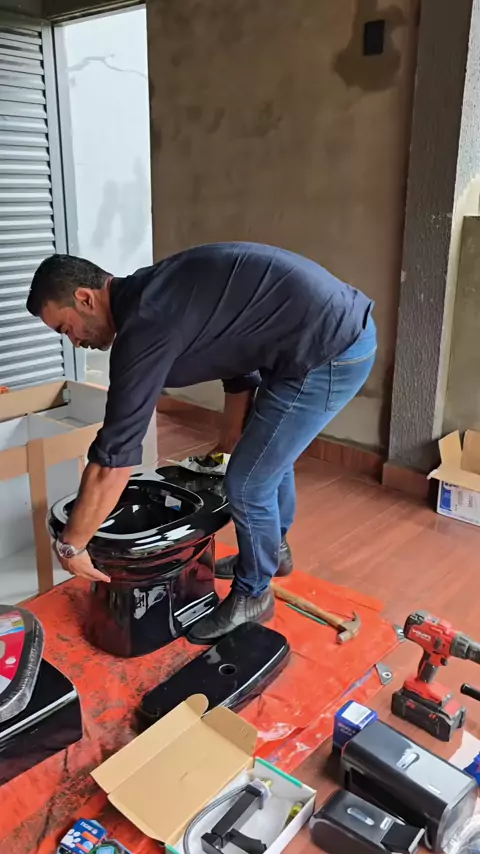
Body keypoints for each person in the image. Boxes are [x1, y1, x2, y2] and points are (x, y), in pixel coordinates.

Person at [26, 242, 376, 644]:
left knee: (248, 481)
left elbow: (113, 462)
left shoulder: (146, 324)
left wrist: (71, 545)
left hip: (330, 348)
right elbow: (233, 347)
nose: (73, 341)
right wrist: (231, 436)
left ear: (85, 299)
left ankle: (254, 595)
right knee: (261, 456)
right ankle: (272, 552)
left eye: (65, 328)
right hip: (304, 339)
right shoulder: (151, 296)